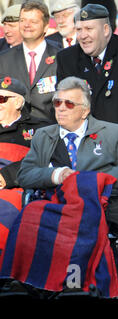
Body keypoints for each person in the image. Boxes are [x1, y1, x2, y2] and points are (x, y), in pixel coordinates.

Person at [0, 76, 118, 298]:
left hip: (99, 201)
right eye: (57, 103)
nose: (61, 109)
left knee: (81, 214)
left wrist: (94, 179)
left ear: (84, 111)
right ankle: (23, 277)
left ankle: (74, 280)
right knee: (30, 212)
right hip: (57, 200)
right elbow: (26, 174)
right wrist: (54, 175)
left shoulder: (113, 132)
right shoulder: (44, 136)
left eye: (69, 104)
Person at [55, 4, 118, 298]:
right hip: (85, 150)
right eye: (78, 29)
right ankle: (81, 274)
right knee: (79, 212)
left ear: (106, 29)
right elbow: (67, 105)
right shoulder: (67, 58)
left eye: (89, 29)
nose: (82, 35)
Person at [0, 76, 48, 257]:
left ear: (18, 102)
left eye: (2, 99)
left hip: (19, 187)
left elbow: (44, 158)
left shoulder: (40, 129)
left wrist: (8, 176)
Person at [0, 1, 59, 122]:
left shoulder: (61, 57)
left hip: (51, 131)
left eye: (33, 21)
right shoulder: (3, 59)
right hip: (14, 133)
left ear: (46, 26)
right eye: (23, 20)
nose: (27, 25)